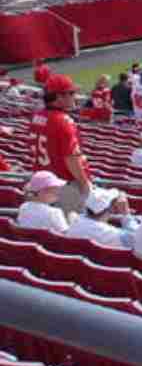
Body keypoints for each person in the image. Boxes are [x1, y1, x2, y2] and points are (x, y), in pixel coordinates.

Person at [30, 73, 92, 217]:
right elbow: (70, 158)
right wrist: (84, 184)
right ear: (58, 97)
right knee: (69, 228)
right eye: (71, 93)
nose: (75, 96)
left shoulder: (37, 116)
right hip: (64, 185)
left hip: (44, 183)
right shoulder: (63, 120)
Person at [66, 188, 136, 249]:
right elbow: (135, 239)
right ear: (111, 207)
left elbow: (76, 215)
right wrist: (126, 213)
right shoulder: (110, 234)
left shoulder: (75, 222)